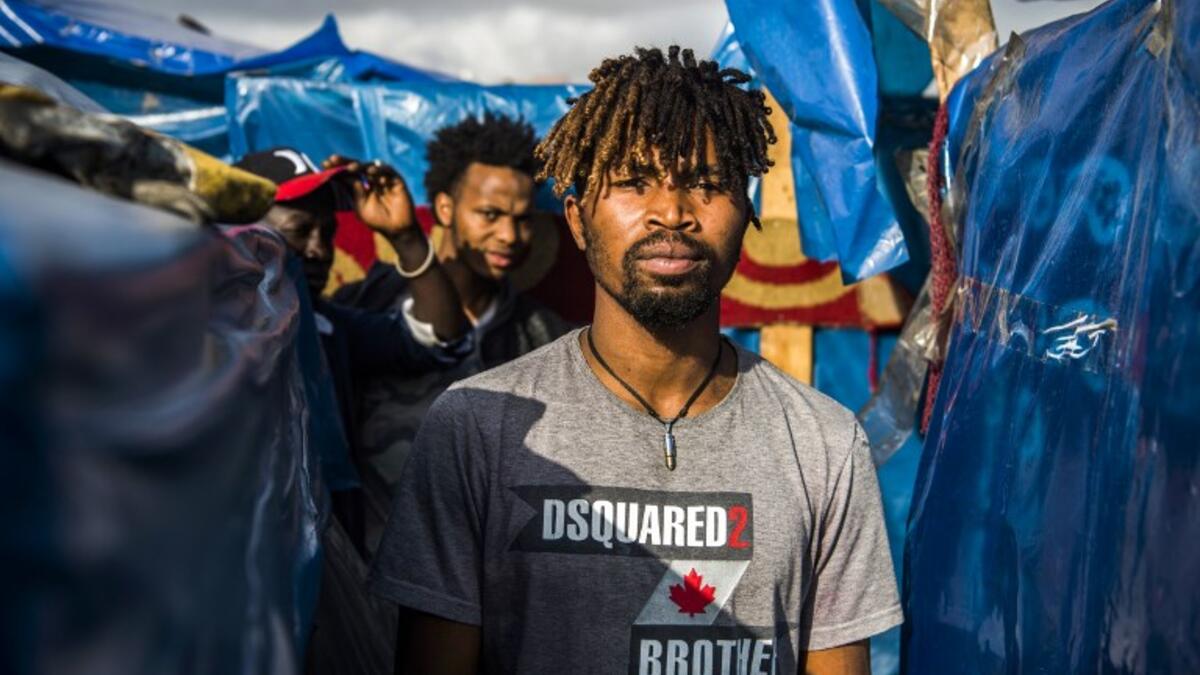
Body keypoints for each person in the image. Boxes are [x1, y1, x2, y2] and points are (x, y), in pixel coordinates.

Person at [368, 46, 903, 675]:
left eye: (707, 184)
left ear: (746, 215)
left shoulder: (825, 445)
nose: (671, 212)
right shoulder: (475, 430)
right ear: (576, 218)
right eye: (633, 181)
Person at [332, 114, 571, 551]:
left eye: (522, 220)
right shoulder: (365, 306)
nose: (509, 235)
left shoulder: (545, 338)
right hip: (369, 577)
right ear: (445, 208)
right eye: (490, 214)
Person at [234, 147, 471, 544]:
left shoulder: (330, 328)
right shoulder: (205, 331)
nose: (319, 249)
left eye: (327, 233)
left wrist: (405, 236)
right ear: (243, 232)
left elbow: (440, 337)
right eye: (297, 231)